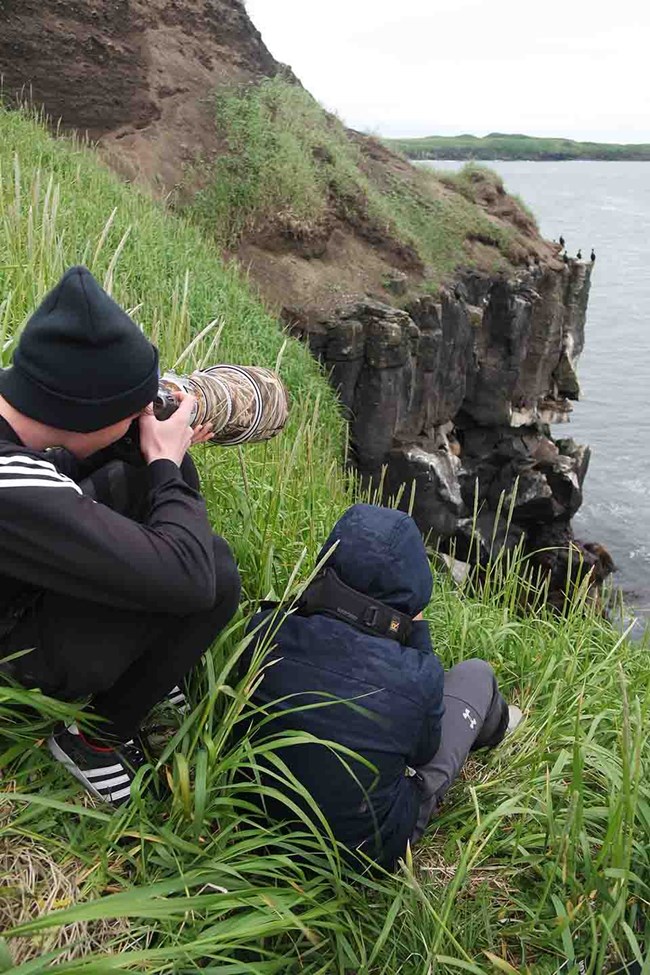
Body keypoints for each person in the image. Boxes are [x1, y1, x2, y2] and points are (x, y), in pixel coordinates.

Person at [0, 266, 241, 804]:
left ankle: (153, 664)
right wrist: (165, 464)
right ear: (82, 415)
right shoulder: (12, 487)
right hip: (10, 642)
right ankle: (94, 742)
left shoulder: (21, 408)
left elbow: (71, 449)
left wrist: (147, 450)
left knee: (148, 483)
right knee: (215, 573)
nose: (146, 415)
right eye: (136, 409)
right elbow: (190, 578)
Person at [238, 504, 521, 870]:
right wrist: (416, 634)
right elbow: (424, 751)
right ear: (414, 591)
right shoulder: (417, 678)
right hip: (364, 850)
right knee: (476, 673)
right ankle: (498, 727)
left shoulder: (262, 629)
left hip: (256, 813)